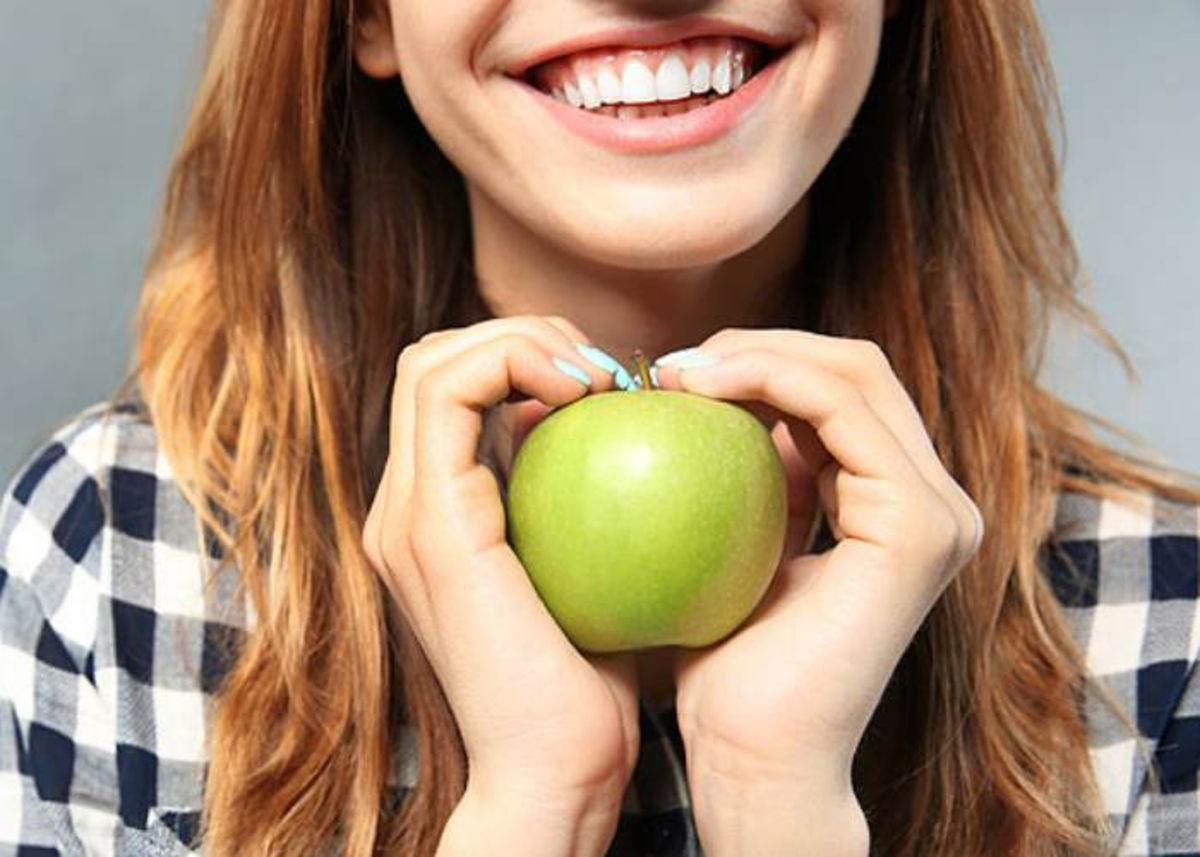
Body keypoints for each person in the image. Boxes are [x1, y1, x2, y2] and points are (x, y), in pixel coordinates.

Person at [1, 0, 1198, 854]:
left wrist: (776, 800)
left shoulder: (1161, 620)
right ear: (365, 15)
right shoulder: (114, 563)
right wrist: (539, 804)